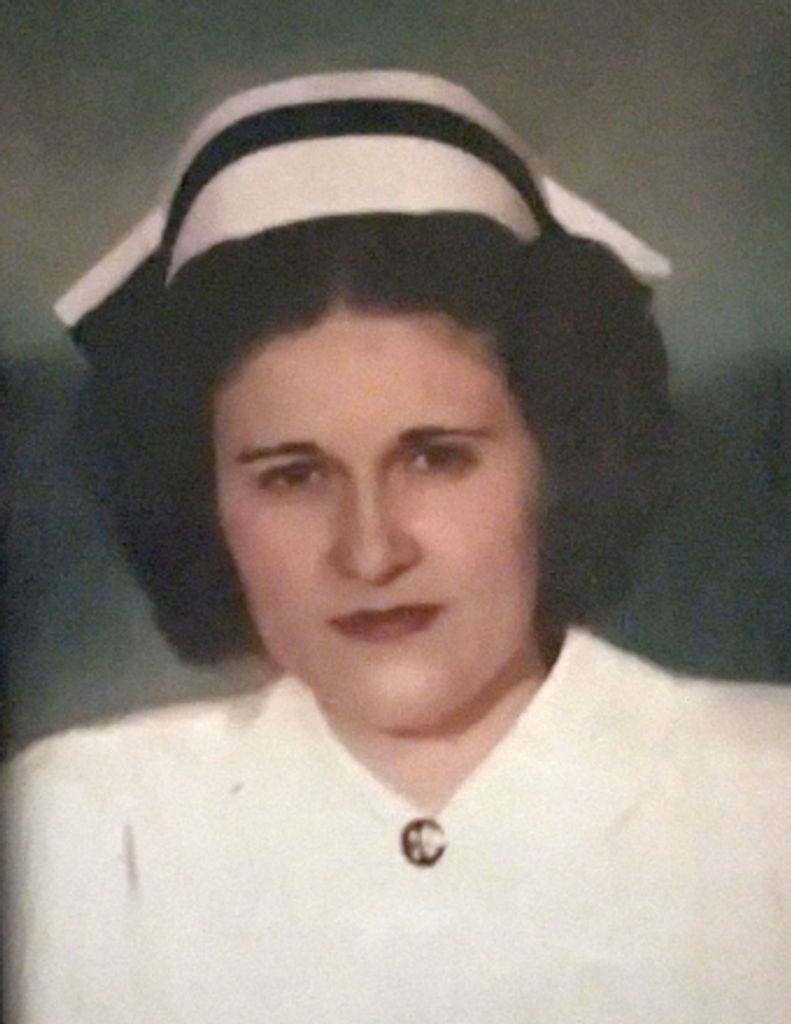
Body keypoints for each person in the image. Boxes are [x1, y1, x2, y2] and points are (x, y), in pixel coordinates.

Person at [7, 70, 790, 1023]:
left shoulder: (765, 788)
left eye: (434, 458)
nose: (369, 553)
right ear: (201, 499)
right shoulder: (81, 830)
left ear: (563, 456)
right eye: (292, 475)